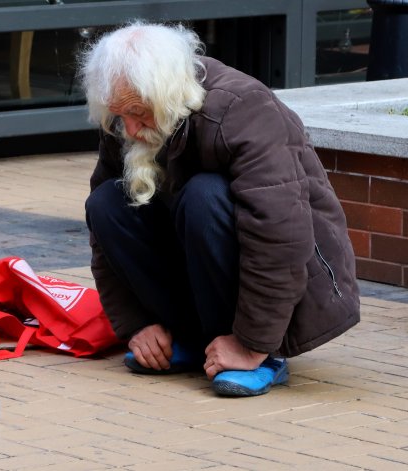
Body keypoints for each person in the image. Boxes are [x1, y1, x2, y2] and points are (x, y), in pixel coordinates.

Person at [79, 21, 360, 397]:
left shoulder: (243, 107)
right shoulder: (126, 118)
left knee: (205, 195)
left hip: (291, 284)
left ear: (165, 94)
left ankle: (259, 354)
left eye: (138, 113)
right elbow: (103, 236)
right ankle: (188, 338)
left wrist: (254, 343)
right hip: (202, 269)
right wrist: (137, 324)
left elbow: (281, 235)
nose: (129, 129)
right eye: (119, 115)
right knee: (107, 202)